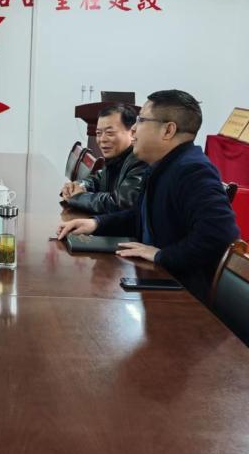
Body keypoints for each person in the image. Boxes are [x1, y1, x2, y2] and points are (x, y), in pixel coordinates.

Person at [56, 90, 239, 300]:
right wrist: (96, 224)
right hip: (154, 279)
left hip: (180, 294)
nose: (133, 128)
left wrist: (161, 255)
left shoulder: (193, 170)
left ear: (168, 130)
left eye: (141, 120)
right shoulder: (162, 165)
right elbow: (140, 215)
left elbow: (221, 235)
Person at [60, 104, 149, 215]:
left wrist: (79, 197)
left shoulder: (141, 160)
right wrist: (78, 186)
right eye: (98, 133)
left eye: (109, 133)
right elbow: (97, 180)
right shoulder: (115, 158)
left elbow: (119, 204)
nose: (102, 139)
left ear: (132, 132)